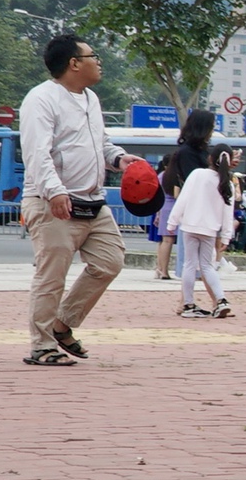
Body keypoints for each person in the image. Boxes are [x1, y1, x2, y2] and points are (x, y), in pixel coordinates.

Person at [19, 34, 127, 367]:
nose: (99, 61)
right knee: (52, 276)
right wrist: (55, 191)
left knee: (110, 262)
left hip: (92, 202)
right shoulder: (41, 99)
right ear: (74, 64)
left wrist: (120, 159)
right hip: (52, 202)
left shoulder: (91, 99)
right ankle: (42, 346)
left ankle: (62, 324)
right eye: (94, 56)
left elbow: (100, 144)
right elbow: (37, 153)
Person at [167, 134, 236, 319]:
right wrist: (226, 237)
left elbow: (183, 199)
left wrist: (172, 222)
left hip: (189, 225)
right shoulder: (227, 183)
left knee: (189, 265)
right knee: (207, 266)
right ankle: (221, 300)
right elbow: (228, 213)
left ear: (210, 158)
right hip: (210, 230)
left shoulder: (197, 174)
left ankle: (188, 304)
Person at [151, 111, 215, 280]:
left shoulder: (201, 151)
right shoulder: (187, 152)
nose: (213, 130)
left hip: (200, 207)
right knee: (185, 252)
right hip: (193, 207)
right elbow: (194, 180)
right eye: (211, 126)